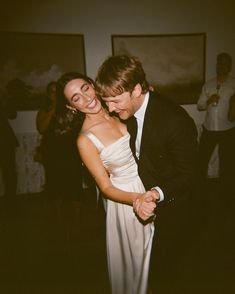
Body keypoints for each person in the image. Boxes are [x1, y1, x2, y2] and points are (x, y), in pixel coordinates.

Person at [95, 55, 199, 294]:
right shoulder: (125, 113)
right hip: (138, 204)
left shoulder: (175, 120)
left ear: (137, 90)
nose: (110, 108)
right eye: (106, 101)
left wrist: (155, 193)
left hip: (173, 208)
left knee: (166, 271)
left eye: (115, 101)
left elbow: (189, 174)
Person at [57, 72, 157, 294]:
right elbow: (105, 187)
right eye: (76, 98)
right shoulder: (85, 139)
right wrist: (137, 199)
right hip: (126, 200)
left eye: (85, 88)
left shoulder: (119, 111)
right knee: (139, 263)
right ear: (72, 108)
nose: (86, 98)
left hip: (151, 185)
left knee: (155, 262)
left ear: (93, 85)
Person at [36, 81, 84, 253]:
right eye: (51, 92)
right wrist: (53, 108)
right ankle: (59, 223)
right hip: (53, 156)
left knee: (75, 188)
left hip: (71, 154)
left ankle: (77, 224)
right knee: (55, 189)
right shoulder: (45, 110)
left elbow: (80, 129)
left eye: (57, 92)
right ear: (48, 94)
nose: (54, 94)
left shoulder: (71, 109)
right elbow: (41, 128)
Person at [197, 52, 235, 195]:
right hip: (209, 128)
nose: (221, 66)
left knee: (227, 162)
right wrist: (208, 101)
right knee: (201, 159)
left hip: (228, 129)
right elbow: (199, 106)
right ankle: (198, 190)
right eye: (219, 63)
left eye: (225, 63)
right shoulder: (209, 84)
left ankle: (226, 192)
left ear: (229, 66)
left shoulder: (234, 84)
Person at [0, 97, 18, 211]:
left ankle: (11, 201)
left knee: (9, 173)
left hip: (5, 141)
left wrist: (4, 100)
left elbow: (12, 114)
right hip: (6, 140)